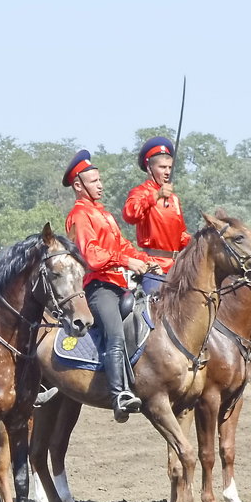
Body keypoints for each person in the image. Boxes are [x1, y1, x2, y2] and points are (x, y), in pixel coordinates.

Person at [63, 149, 160, 423]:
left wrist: (146, 260)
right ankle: (119, 394)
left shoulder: (103, 214)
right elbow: (91, 255)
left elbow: (123, 246)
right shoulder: (80, 215)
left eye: (100, 180)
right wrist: (126, 261)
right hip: (97, 288)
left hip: (119, 285)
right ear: (78, 185)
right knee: (115, 333)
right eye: (94, 181)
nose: (100, 185)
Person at [122, 136, 191, 297]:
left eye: (169, 167)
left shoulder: (174, 199)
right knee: (152, 311)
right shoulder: (140, 192)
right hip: (153, 266)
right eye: (162, 167)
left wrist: (200, 240)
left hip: (176, 268)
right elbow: (130, 214)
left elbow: (181, 236)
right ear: (149, 168)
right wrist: (156, 196)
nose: (167, 172)